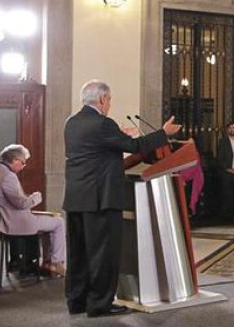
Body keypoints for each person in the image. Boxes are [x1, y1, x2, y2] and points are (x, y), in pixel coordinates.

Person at [63, 80, 179, 318]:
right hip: (100, 198)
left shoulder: (72, 123)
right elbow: (135, 145)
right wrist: (163, 133)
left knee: (79, 253)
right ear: (102, 99)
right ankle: (99, 304)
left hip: (76, 198)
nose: (110, 104)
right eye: (110, 100)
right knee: (103, 254)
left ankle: (77, 301)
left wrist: (118, 135)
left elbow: (97, 148)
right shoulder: (103, 123)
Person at [0, 144, 66, 276]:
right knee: (59, 222)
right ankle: (55, 263)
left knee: (50, 222)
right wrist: (36, 197)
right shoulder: (8, 175)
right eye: (23, 162)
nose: (23, 166)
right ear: (14, 160)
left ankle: (48, 263)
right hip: (13, 223)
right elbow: (21, 203)